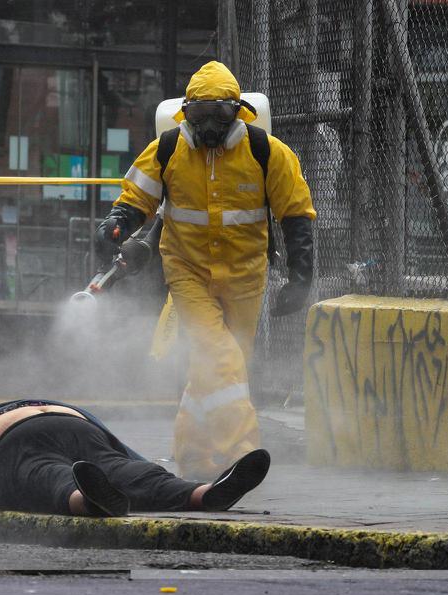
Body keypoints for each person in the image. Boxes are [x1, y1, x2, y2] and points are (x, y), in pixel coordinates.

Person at [95, 61, 315, 480]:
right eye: (199, 116)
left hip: (247, 275)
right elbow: (138, 196)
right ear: (186, 113)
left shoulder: (267, 152)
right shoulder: (167, 149)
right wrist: (119, 220)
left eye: (220, 115)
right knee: (220, 356)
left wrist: (301, 275)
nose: (210, 126)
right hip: (188, 271)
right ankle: (243, 454)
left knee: (217, 367)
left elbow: (296, 213)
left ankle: (194, 456)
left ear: (238, 112)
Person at [0, 399, 270, 517]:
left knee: (44, 475)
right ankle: (202, 493)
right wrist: (160, 481)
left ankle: (85, 500)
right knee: (129, 471)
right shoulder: (59, 405)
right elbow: (125, 455)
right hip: (80, 425)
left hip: (9, 439)